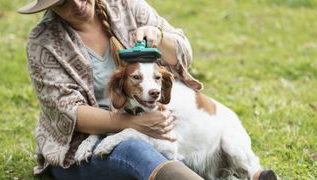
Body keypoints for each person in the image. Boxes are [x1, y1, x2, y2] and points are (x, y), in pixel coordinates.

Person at [18, 0, 204, 179]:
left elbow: (183, 53)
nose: (76, 3)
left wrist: (160, 37)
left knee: (193, 135)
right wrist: (133, 124)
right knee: (135, 149)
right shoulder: (43, 41)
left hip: (151, 122)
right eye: (62, 2)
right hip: (81, 148)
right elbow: (68, 111)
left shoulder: (126, 5)